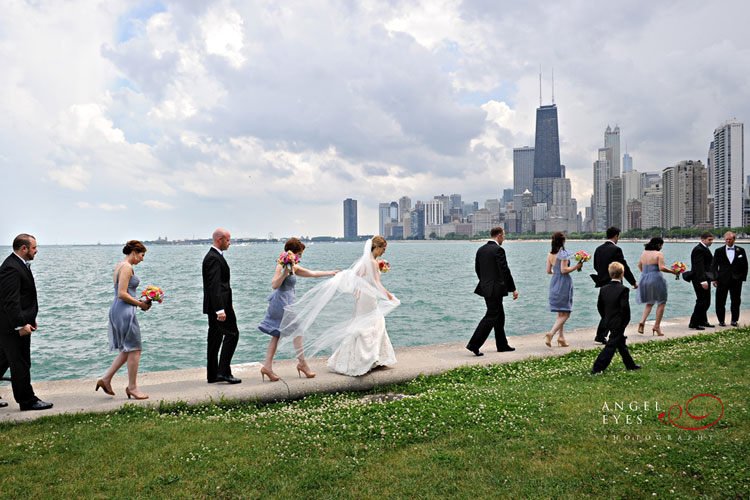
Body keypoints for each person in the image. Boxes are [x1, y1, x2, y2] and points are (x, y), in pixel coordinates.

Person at [279, 236, 400, 377]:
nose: (384, 252)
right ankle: (369, 359)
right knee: (373, 323)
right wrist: (390, 296)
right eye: (383, 249)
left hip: (362, 298)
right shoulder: (372, 263)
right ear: (377, 247)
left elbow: (356, 277)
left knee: (362, 324)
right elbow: (377, 284)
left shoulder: (366, 262)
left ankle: (365, 358)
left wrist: (358, 289)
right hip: (369, 298)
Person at [258, 238, 338, 381]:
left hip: (285, 303)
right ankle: (303, 365)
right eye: (300, 254)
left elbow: (311, 273)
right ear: (293, 253)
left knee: (276, 334)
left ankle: (267, 367)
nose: (301, 257)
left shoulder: (293, 266)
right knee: (297, 332)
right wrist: (284, 272)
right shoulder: (282, 265)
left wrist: (331, 273)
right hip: (281, 304)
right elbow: (274, 285)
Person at [0, 234, 53, 411]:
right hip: (11, 327)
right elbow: (10, 300)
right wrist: (20, 325)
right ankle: (27, 401)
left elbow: (22, 298)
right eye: (34, 248)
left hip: (11, 324)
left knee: (3, 360)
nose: (36, 251)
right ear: (24, 248)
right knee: (21, 363)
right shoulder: (11, 268)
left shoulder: (18, 265)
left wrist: (30, 319)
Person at [96, 240, 152, 400]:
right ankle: (132, 387)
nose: (142, 259)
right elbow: (122, 293)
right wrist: (140, 303)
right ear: (134, 252)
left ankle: (106, 379)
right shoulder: (127, 267)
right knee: (135, 349)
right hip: (123, 310)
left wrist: (142, 300)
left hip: (121, 309)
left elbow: (126, 292)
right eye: (141, 255)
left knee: (129, 349)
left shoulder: (121, 265)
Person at [466, 226, 518, 356]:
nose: (504, 238)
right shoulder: (498, 250)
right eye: (504, 235)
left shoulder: (481, 250)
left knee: (499, 316)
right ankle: (474, 344)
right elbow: (505, 271)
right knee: (491, 316)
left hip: (486, 287)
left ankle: (502, 345)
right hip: (495, 288)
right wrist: (513, 289)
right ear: (499, 235)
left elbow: (477, 269)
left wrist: (485, 283)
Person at [202, 228, 240, 384]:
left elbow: (221, 286)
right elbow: (215, 285)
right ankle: (223, 372)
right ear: (220, 240)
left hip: (220, 306)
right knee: (232, 334)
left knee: (215, 339)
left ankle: (213, 375)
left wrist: (227, 304)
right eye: (228, 240)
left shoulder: (215, 257)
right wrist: (220, 310)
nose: (230, 243)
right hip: (219, 308)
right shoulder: (213, 258)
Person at [590, 262, 641, 375]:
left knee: (620, 343)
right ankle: (597, 368)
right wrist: (625, 322)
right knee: (611, 345)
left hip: (608, 319)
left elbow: (599, 306)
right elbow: (625, 308)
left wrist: (605, 317)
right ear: (622, 274)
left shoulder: (603, 289)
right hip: (619, 321)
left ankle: (630, 365)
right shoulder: (623, 289)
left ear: (610, 273)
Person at [590, 226, 637, 344]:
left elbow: (596, 265)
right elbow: (623, 267)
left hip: (602, 283)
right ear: (616, 236)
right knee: (617, 309)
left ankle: (603, 334)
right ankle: (612, 334)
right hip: (614, 282)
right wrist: (633, 282)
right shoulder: (616, 250)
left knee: (607, 309)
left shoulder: (598, 249)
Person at [544, 232, 582, 348]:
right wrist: (576, 267)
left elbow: (549, 271)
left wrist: (556, 274)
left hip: (555, 283)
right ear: (562, 241)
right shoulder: (563, 254)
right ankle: (551, 333)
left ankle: (561, 338)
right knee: (567, 313)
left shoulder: (550, 254)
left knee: (561, 312)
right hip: (564, 283)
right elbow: (564, 270)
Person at [635, 237, 679, 337]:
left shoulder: (644, 253)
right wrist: (673, 272)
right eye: (661, 245)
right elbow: (661, 267)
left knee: (649, 302)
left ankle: (642, 321)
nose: (662, 247)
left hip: (644, 279)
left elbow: (639, 265)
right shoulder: (659, 254)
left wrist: (645, 274)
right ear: (659, 245)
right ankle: (657, 326)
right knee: (661, 302)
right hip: (656, 279)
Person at [711, 231, 747, 327]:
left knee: (736, 300)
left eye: (730, 239)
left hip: (736, 280)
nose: (728, 241)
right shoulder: (718, 251)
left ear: (734, 240)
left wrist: (742, 278)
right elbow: (714, 266)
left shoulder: (741, 250)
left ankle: (734, 320)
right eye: (726, 239)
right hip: (722, 279)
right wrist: (714, 279)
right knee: (720, 301)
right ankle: (721, 320)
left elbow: (745, 265)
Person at [688, 232, 715, 330]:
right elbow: (699, 267)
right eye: (709, 240)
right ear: (703, 239)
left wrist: (713, 278)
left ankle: (703, 321)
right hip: (699, 279)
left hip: (705, 278)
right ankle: (694, 323)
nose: (711, 242)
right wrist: (703, 281)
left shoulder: (704, 249)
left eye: (712, 239)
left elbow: (708, 265)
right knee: (702, 301)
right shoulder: (699, 250)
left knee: (706, 301)